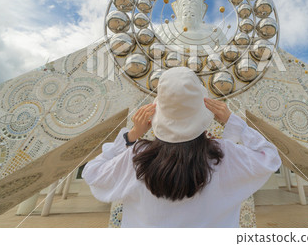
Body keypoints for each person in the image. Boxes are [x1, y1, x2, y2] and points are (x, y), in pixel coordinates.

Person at [82, 67, 281, 227]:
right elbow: (269, 157)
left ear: (157, 111)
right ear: (203, 108)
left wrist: (132, 135)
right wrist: (234, 122)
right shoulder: (225, 155)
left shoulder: (136, 157)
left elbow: (92, 172)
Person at [156, 0, 227, 47]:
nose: (189, 1)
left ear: (203, 8)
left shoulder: (215, 33)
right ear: (176, 7)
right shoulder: (163, 30)